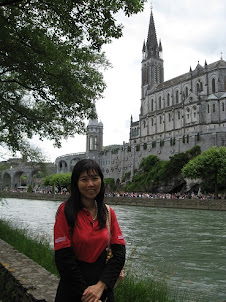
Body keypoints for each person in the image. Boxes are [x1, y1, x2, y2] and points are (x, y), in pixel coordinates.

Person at [54, 159, 126, 302]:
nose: (90, 184)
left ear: (101, 181)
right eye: (84, 179)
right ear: (76, 183)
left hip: (102, 289)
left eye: (95, 178)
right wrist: (87, 295)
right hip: (73, 290)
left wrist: (101, 286)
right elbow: (63, 257)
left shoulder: (108, 212)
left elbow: (119, 253)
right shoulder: (65, 211)